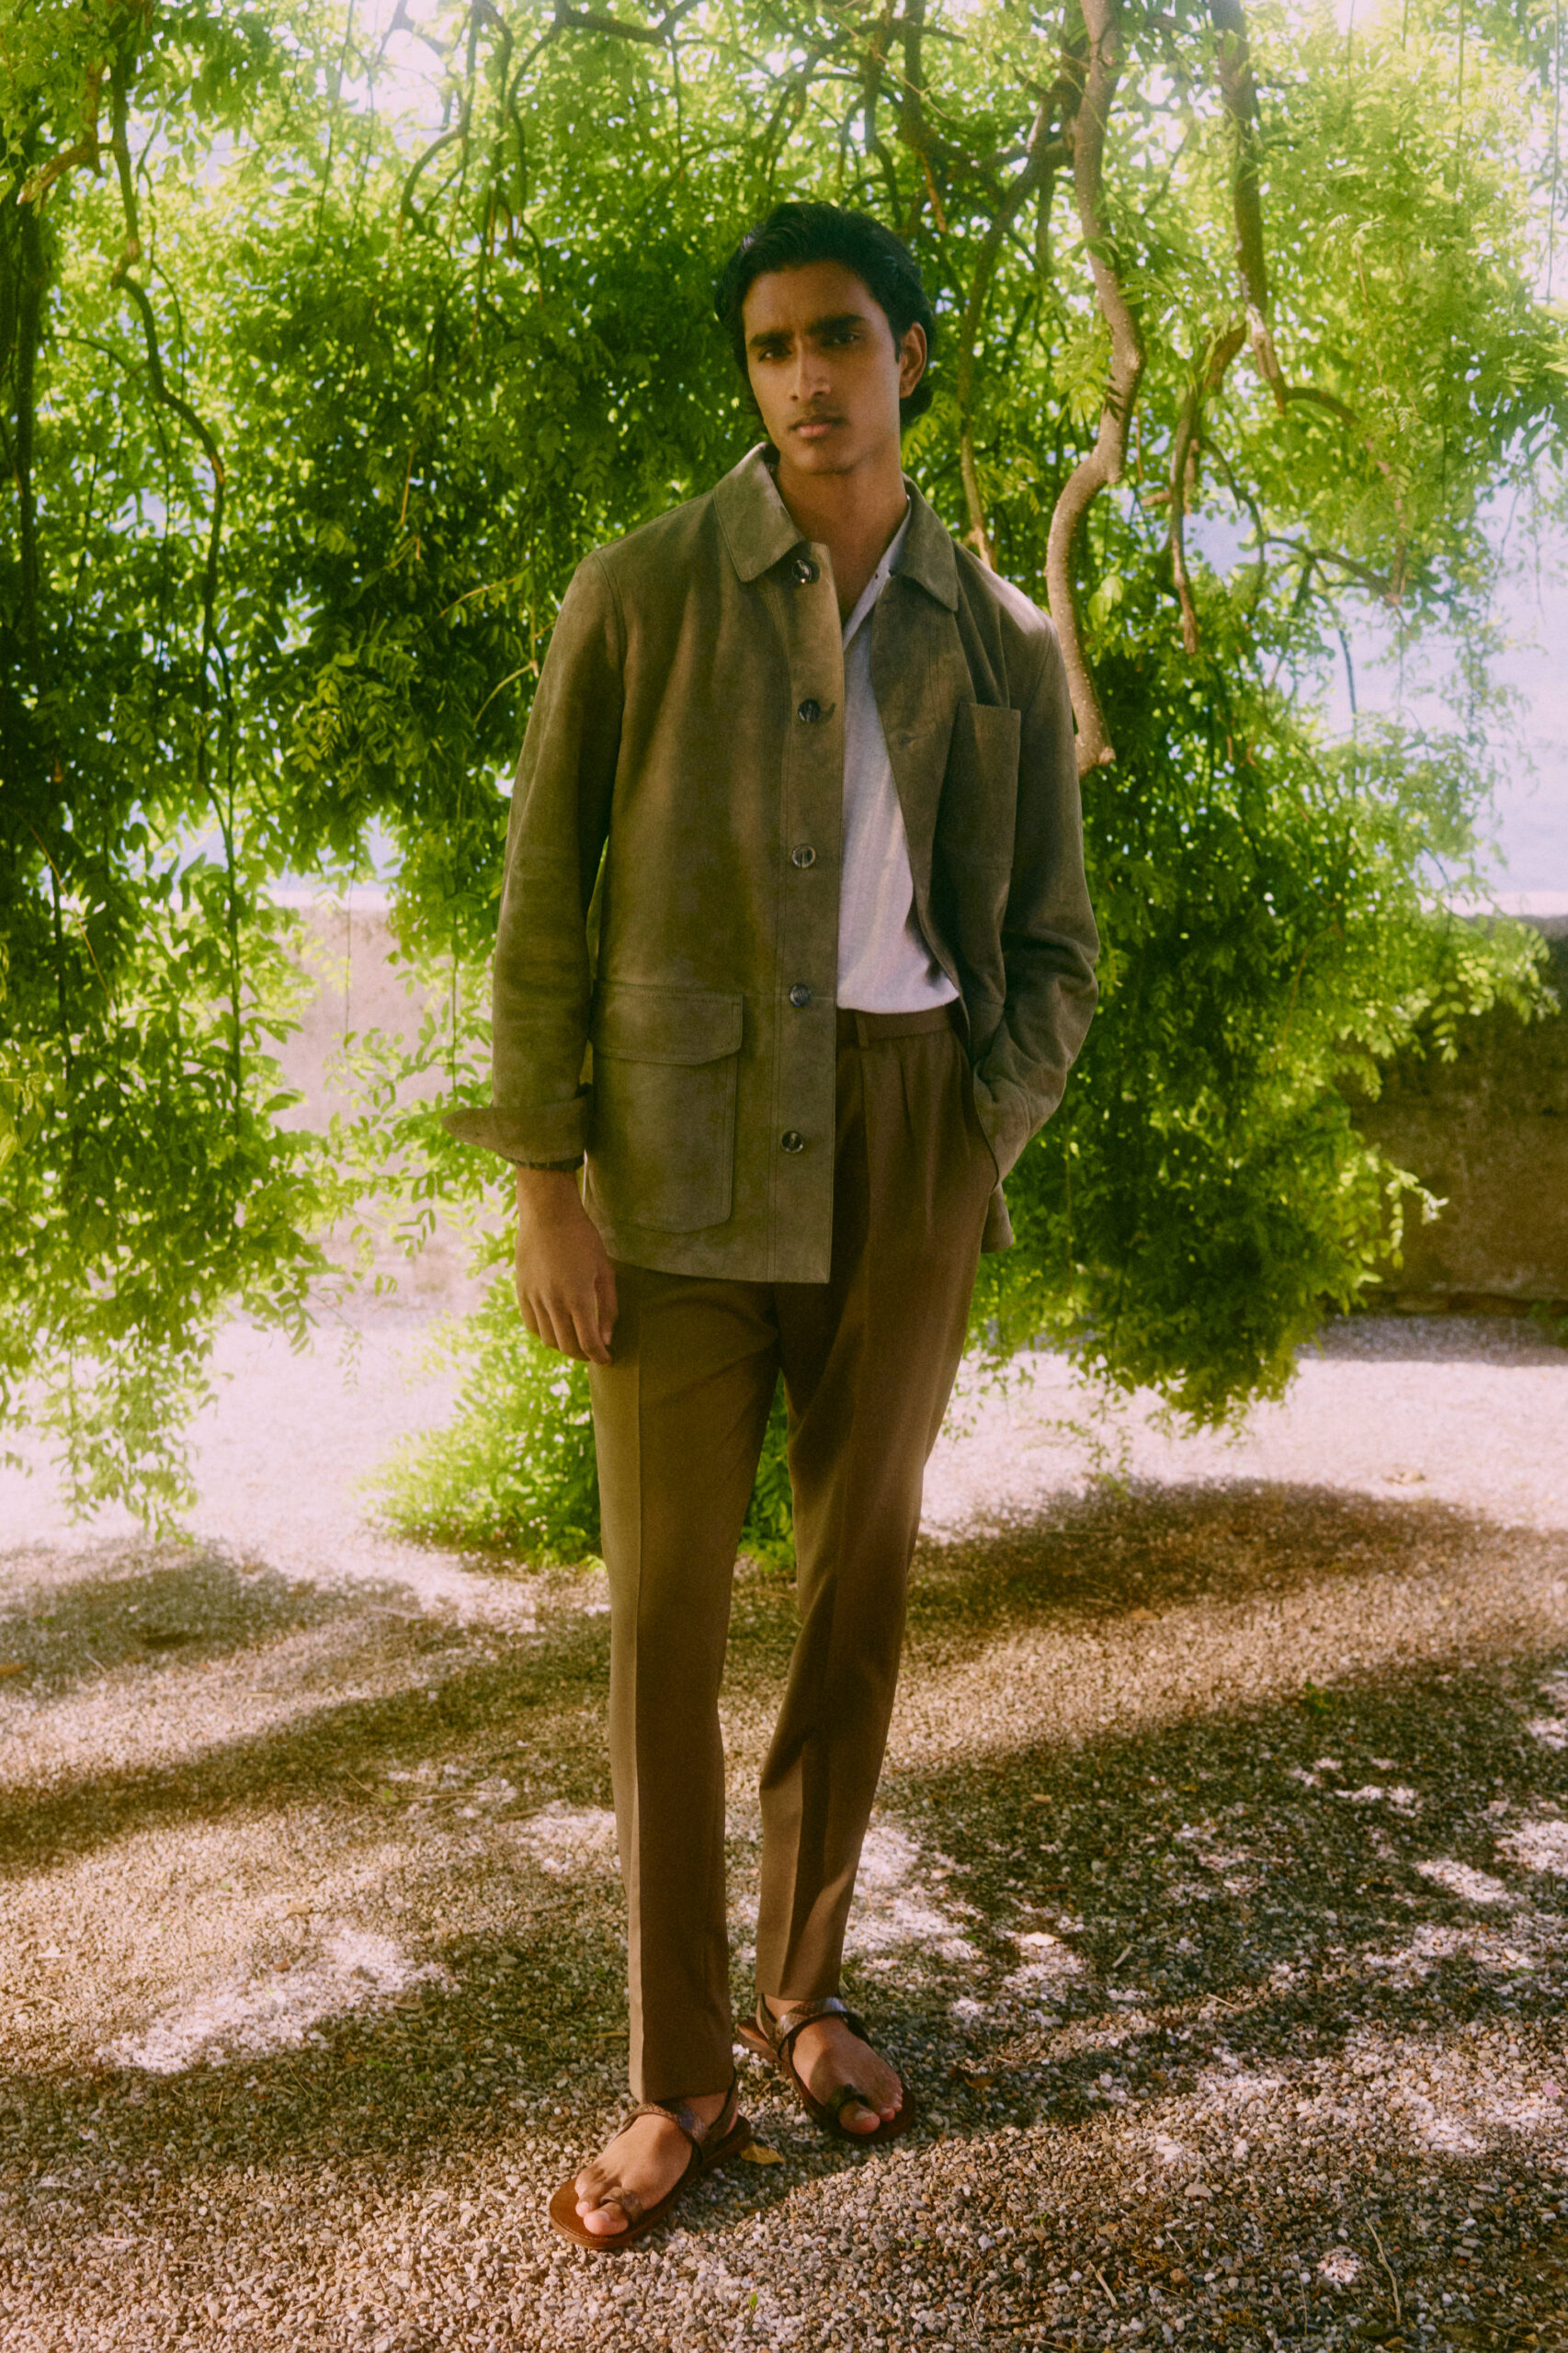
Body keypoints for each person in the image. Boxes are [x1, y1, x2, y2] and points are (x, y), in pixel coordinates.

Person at [445, 199, 1098, 2248]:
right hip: (676, 1158)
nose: (806, 376)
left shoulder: (999, 638)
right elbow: (540, 909)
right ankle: (677, 2078)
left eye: (839, 336)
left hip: (910, 1141)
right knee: (660, 1623)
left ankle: (801, 1991)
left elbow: (1053, 948)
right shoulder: (642, 590)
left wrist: (976, 1135)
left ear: (911, 353)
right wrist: (547, 1182)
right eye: (768, 344)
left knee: (853, 1592)